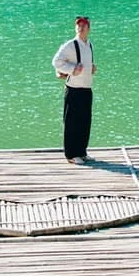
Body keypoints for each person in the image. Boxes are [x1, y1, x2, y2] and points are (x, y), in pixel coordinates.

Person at [52, 15, 96, 164]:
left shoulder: (89, 44)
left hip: (87, 89)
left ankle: (82, 152)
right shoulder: (70, 45)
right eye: (78, 25)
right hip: (74, 89)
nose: (80, 27)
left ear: (88, 29)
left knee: (85, 122)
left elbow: (85, 63)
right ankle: (71, 155)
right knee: (72, 123)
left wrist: (91, 68)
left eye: (83, 25)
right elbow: (56, 62)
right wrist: (72, 70)